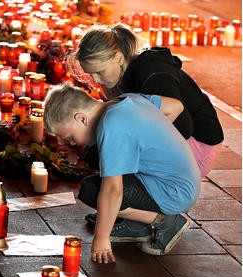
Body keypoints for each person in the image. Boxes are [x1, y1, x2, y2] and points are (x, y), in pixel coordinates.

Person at [43, 82, 200, 263]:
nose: (71, 143)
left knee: (91, 189)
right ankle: (138, 224)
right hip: (183, 182)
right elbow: (174, 106)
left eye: (70, 136)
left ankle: (166, 221)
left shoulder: (112, 127)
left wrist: (101, 240)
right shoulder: (127, 100)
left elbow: (112, 191)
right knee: (104, 177)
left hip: (173, 192)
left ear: (81, 118)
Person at [75, 23, 224, 177]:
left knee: (108, 177)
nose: (95, 80)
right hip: (184, 139)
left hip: (198, 147)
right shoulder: (127, 72)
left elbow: (183, 128)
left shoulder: (151, 75)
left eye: (99, 72)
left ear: (118, 58)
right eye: (91, 74)